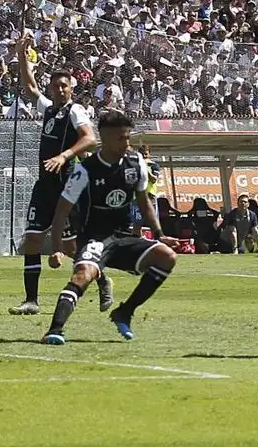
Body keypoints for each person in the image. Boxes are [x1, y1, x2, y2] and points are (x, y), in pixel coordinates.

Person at [43, 110, 180, 345]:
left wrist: (159, 234)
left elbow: (143, 201)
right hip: (94, 237)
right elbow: (61, 211)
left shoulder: (135, 161)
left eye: (128, 137)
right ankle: (55, 330)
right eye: (121, 138)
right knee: (83, 275)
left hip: (123, 237)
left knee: (167, 257)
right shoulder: (85, 170)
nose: (126, 143)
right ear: (104, 139)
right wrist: (56, 248)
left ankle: (124, 312)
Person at [10, 32, 113, 315]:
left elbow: (90, 139)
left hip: (67, 186)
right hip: (44, 186)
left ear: (71, 88)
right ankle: (31, 300)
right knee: (31, 239)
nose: (59, 90)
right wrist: (22, 55)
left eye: (64, 86)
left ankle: (103, 281)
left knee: (71, 248)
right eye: (55, 86)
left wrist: (64, 155)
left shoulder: (75, 110)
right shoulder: (48, 109)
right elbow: (30, 87)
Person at [130, 144, 161, 233]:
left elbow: (154, 179)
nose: (144, 156)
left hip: (150, 196)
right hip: (137, 197)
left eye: (146, 154)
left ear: (149, 154)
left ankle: (156, 240)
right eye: (142, 154)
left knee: (153, 221)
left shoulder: (153, 165)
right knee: (137, 222)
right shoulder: (135, 166)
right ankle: (137, 239)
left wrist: (145, 169)